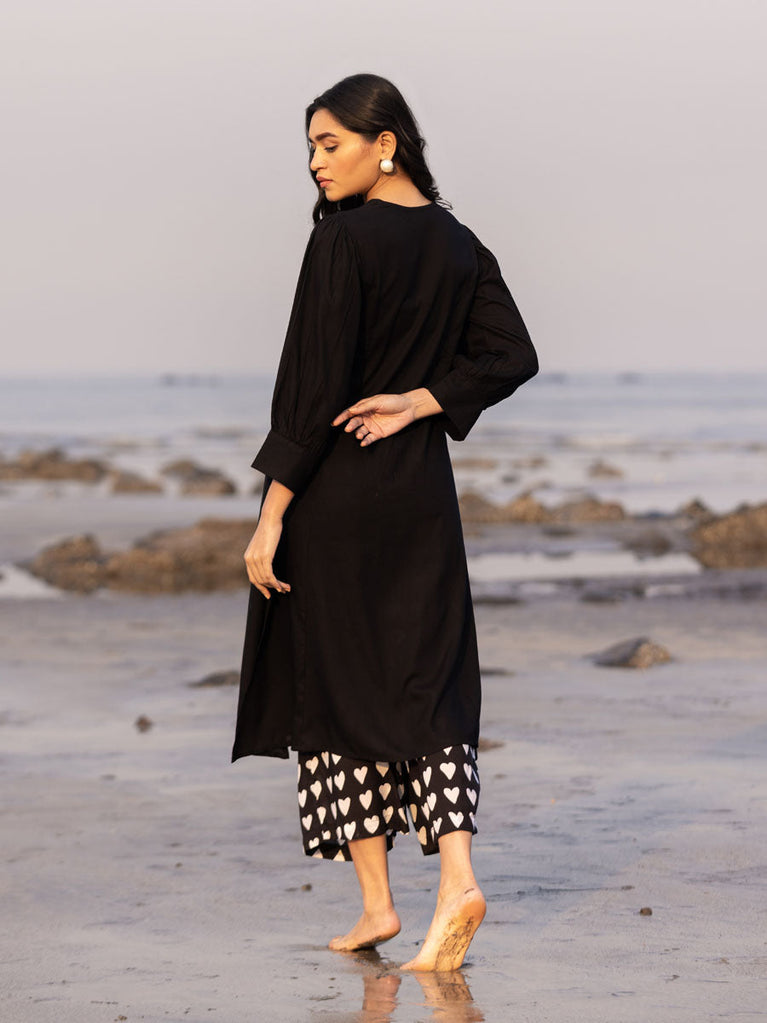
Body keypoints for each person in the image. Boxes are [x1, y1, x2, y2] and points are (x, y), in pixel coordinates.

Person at [232, 73, 538, 971]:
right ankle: (448, 881)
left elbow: (310, 389)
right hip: (421, 498)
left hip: (337, 499)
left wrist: (270, 514)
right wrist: (422, 400)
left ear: (385, 143)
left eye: (330, 145)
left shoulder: (342, 240)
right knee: (427, 678)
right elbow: (512, 355)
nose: (315, 164)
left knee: (335, 686)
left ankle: (381, 898)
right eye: (310, 149)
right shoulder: (460, 244)